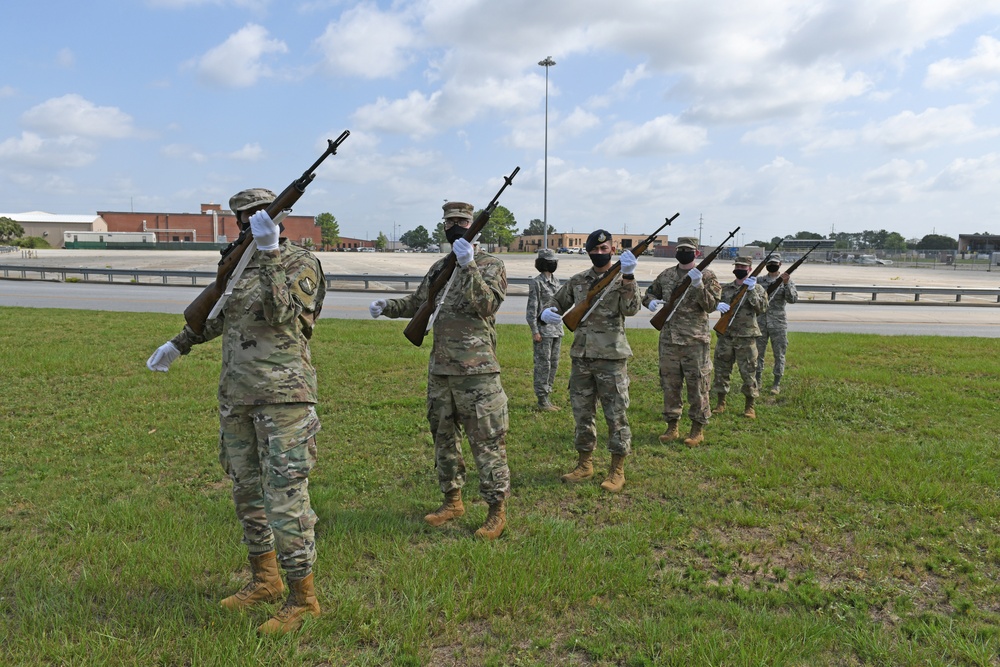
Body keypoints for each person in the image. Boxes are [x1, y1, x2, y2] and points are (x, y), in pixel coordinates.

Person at [145, 188, 326, 635]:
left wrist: (266, 254)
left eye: (258, 217)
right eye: (242, 219)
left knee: (285, 500)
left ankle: (304, 600)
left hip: (283, 399)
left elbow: (286, 314)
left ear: (277, 219)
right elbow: (217, 317)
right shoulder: (236, 267)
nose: (249, 224)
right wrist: (178, 344)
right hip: (237, 399)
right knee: (247, 494)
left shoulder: (299, 263)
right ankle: (264, 580)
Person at [369, 201, 510, 540]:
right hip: (441, 371)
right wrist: (387, 306)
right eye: (450, 222)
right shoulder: (439, 267)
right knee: (444, 440)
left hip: (477, 371)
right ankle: (452, 501)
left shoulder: (491, 265)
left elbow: (487, 304)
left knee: (487, 442)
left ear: (474, 225)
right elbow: (419, 303)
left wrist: (469, 265)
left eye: (462, 221)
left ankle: (496, 511)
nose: (455, 226)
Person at [540, 230, 639, 492]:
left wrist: (628, 276)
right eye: (594, 250)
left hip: (611, 358)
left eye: (604, 249)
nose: (599, 253)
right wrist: (548, 310)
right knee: (582, 414)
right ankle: (585, 464)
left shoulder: (621, 279)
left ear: (613, 250)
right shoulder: (578, 280)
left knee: (615, 415)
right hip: (582, 357)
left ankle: (617, 469)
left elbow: (631, 309)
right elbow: (557, 301)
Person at [642, 237, 721, 447]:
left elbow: (711, 305)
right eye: (681, 249)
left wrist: (698, 285)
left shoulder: (707, 276)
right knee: (670, 384)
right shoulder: (667, 275)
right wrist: (650, 301)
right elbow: (649, 293)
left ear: (696, 253)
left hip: (695, 341)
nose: (684, 253)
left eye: (688, 250)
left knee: (698, 385)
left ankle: (697, 428)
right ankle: (672, 426)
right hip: (669, 340)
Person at [710, 256, 768, 419]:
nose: (740, 269)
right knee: (722, 369)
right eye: (738, 266)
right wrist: (716, 305)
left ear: (750, 270)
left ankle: (750, 405)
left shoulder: (758, 289)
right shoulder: (726, 289)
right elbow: (712, 302)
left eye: (743, 267)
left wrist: (751, 292)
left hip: (746, 337)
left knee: (749, 371)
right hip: (726, 335)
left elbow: (761, 308)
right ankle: (721, 402)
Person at [526, 247, 563, 411]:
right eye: (550, 261)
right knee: (543, 365)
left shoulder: (557, 282)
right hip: (543, 331)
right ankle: (542, 399)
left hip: (557, 330)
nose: (553, 263)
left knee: (554, 364)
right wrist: (535, 330)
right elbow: (532, 309)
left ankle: (548, 394)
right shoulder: (537, 282)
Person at [755, 254, 798, 395]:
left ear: (780, 264)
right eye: (770, 263)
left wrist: (785, 284)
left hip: (778, 323)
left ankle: (776, 383)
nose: (772, 266)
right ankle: (757, 381)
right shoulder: (759, 281)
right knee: (757, 354)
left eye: (774, 263)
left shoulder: (787, 281)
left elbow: (792, 299)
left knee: (779, 354)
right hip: (760, 322)